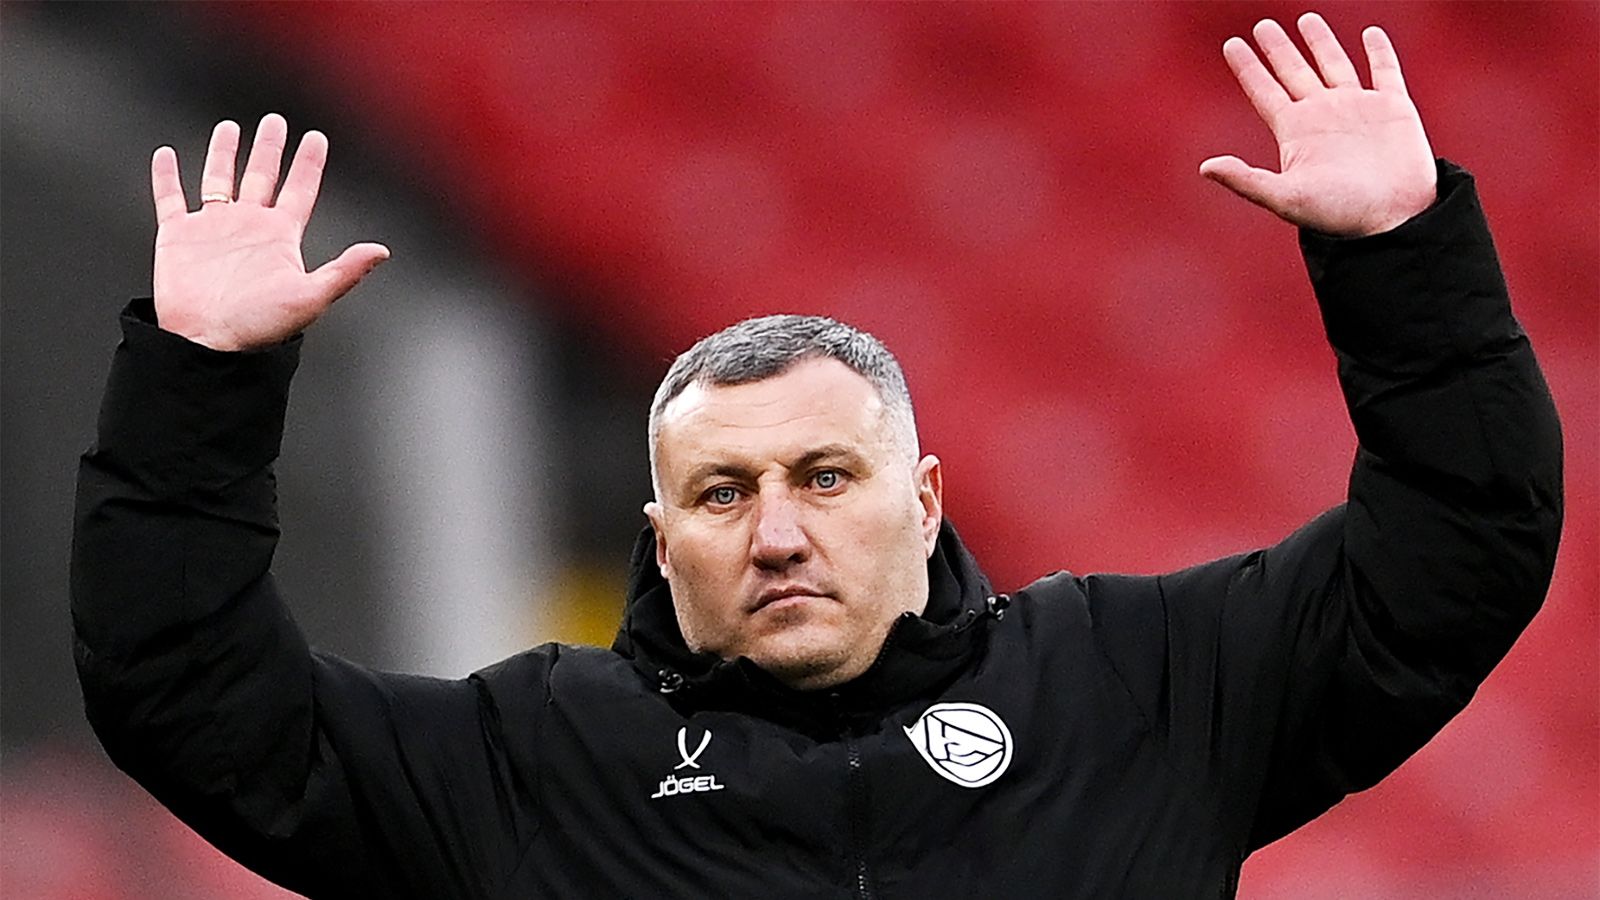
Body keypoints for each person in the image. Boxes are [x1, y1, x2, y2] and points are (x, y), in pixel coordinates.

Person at [72, 13, 1561, 899]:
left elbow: (1457, 543)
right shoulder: (533, 763)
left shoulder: (1139, 689)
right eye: (722, 493)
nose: (776, 530)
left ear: (925, 499)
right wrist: (203, 379)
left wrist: (1403, 255)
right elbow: (191, 698)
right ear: (661, 536)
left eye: (824, 478)